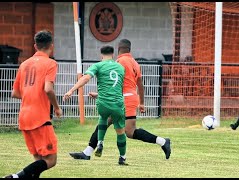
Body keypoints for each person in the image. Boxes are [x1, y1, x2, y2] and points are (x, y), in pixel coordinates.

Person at [69, 39, 171, 161]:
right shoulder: (135, 63)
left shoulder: (119, 62)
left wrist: (101, 94)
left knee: (125, 129)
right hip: (131, 97)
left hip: (123, 99)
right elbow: (140, 85)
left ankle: (163, 141)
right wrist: (142, 102)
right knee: (110, 124)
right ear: (130, 49)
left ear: (118, 49)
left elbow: (115, 82)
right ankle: (88, 152)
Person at [4, 30, 63, 178]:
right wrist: (56, 107)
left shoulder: (24, 64)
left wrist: (30, 93)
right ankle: (16, 177)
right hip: (40, 118)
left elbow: (15, 93)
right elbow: (48, 89)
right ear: (51, 46)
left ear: (35, 46)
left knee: (38, 159)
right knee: (51, 160)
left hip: (24, 116)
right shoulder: (50, 63)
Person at [63, 45, 128, 165]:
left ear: (101, 55)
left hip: (103, 102)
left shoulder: (98, 65)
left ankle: (100, 142)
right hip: (118, 104)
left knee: (103, 117)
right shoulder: (120, 68)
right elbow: (116, 88)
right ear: (113, 55)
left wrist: (71, 90)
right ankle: (122, 157)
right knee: (120, 131)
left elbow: (86, 78)